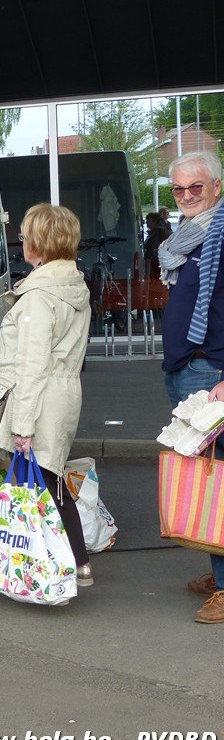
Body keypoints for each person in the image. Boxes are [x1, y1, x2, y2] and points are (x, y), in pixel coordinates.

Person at [0, 204, 93, 587]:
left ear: (38, 241)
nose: (21, 244)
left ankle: (63, 565)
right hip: (63, 392)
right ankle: (66, 562)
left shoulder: (37, 295)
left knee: (40, 483)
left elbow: (32, 365)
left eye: (23, 236)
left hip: (41, 397)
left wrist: (22, 425)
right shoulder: (71, 284)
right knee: (44, 480)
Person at [157, 150, 224, 624]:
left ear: (216, 186)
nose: (186, 197)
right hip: (186, 370)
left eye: (195, 188)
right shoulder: (186, 240)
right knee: (207, 480)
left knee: (220, 481)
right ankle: (218, 569)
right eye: (178, 189)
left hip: (213, 373)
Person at [144, 211, 168, 278]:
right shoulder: (153, 233)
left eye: (148, 221)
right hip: (153, 262)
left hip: (155, 262)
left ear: (154, 222)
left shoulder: (157, 233)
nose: (146, 223)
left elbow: (153, 246)